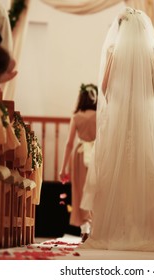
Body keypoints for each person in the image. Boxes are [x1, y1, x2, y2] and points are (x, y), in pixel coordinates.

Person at [79, 7, 154, 252]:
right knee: (148, 166)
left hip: (122, 119)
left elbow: (105, 89)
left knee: (120, 170)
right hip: (144, 117)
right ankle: (149, 228)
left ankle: (118, 228)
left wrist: (121, 101)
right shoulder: (153, 53)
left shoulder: (113, 52)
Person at [59, 84, 97, 243]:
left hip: (80, 155)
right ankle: (96, 227)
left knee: (80, 191)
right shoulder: (100, 115)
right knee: (96, 190)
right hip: (96, 153)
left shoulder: (76, 116)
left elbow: (69, 143)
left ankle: (84, 229)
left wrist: (63, 168)